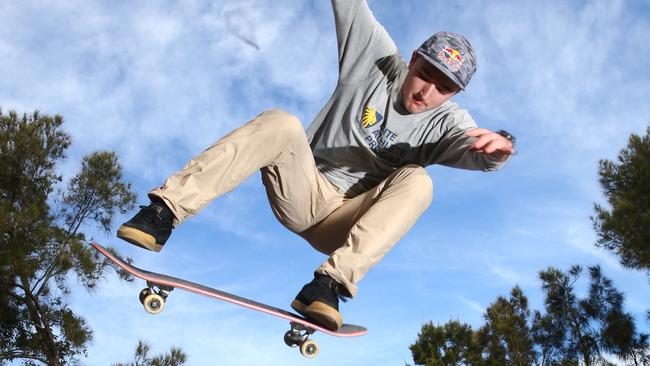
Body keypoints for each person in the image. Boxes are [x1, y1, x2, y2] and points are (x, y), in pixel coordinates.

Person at [117, 0, 515, 332]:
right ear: (412, 60)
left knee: (419, 181)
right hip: (303, 189)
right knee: (281, 122)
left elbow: (479, 153)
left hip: (347, 222)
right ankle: (162, 212)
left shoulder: (449, 123)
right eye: (424, 75)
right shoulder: (375, 57)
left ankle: (327, 286)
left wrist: (498, 149)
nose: (426, 93)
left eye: (443, 88)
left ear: (456, 93)